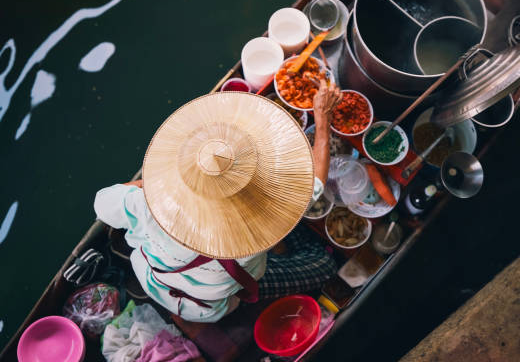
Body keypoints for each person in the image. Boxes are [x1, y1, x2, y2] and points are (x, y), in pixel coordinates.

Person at [94, 81, 343, 322]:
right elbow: (315, 184)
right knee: (324, 264)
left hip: (156, 279)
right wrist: (322, 120)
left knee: (290, 231)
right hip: (211, 305)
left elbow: (102, 203)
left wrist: (150, 187)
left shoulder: (146, 205)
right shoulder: (258, 224)